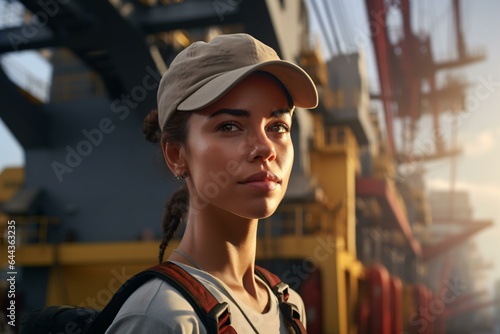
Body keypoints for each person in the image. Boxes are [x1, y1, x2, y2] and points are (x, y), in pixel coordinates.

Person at [105, 33, 318, 333]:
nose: (266, 148)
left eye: (278, 126)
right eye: (229, 126)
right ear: (177, 154)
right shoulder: (162, 317)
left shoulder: (288, 305)